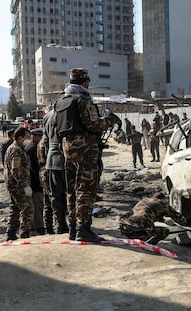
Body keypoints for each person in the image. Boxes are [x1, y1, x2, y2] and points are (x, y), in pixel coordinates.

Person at [54, 67, 118, 242]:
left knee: (71, 189)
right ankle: (83, 228)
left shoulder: (60, 101)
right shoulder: (83, 99)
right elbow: (94, 125)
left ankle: (73, 228)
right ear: (85, 82)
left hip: (67, 149)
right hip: (85, 150)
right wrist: (111, 120)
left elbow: (56, 128)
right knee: (86, 188)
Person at [119, 193, 187, 244]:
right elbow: (179, 218)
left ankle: (138, 238)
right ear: (163, 199)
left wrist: (164, 220)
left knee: (144, 225)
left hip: (125, 227)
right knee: (164, 231)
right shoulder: (162, 204)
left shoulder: (143, 202)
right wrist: (185, 224)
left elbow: (147, 214)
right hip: (141, 228)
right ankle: (149, 245)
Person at [4, 127, 33, 241]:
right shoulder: (16, 150)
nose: (29, 139)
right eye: (27, 137)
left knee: (15, 208)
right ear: (20, 138)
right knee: (27, 208)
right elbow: (15, 170)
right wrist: (25, 185)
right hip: (17, 185)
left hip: (14, 184)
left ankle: (11, 233)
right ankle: (25, 233)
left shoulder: (16, 148)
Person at [43, 109, 69, 236]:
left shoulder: (47, 116)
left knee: (55, 194)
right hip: (66, 160)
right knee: (70, 193)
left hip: (51, 160)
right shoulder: (67, 114)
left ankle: (59, 224)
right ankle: (72, 225)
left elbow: (46, 141)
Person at [25, 128, 45, 235]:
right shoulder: (33, 149)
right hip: (35, 182)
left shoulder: (29, 147)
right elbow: (36, 167)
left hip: (32, 182)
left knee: (35, 205)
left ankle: (33, 225)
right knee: (37, 205)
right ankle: (39, 227)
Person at [37, 132, 54, 234]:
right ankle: (49, 226)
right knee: (50, 201)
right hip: (47, 171)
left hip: (43, 171)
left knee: (47, 202)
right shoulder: (45, 142)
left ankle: (48, 226)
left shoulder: (41, 142)